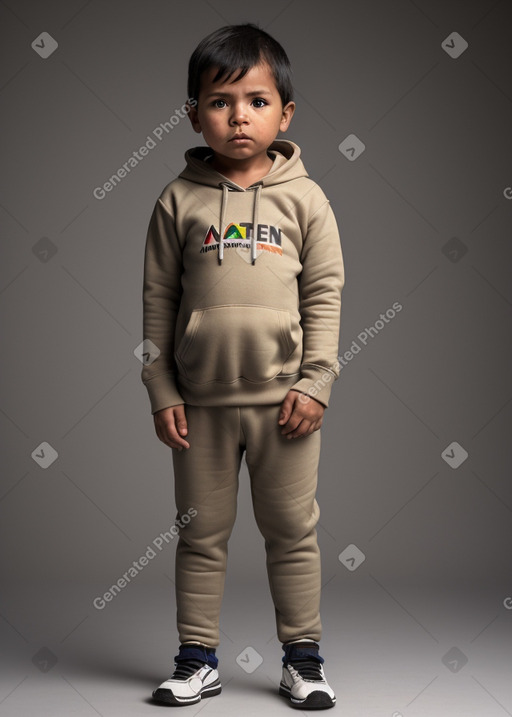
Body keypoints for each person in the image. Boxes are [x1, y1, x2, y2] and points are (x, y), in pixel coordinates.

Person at [141, 22, 345, 710]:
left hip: (286, 405)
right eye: (221, 101)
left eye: (256, 101)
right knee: (201, 534)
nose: (238, 116)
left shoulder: (306, 199)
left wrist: (316, 381)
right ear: (194, 113)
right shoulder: (177, 201)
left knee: (292, 533)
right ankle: (196, 659)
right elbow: (157, 300)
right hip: (199, 404)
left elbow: (325, 295)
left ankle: (303, 660)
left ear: (284, 113)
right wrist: (160, 385)